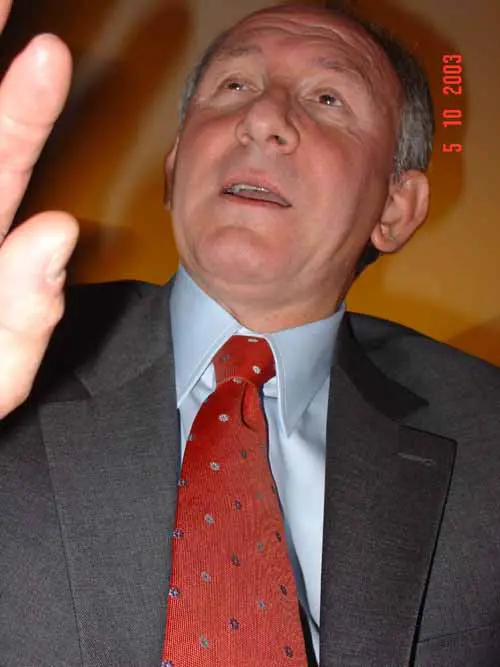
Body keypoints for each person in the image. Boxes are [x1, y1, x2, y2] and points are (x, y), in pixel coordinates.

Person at [0, 1, 499, 665]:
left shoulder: (487, 432)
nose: (262, 118)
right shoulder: (21, 360)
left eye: (328, 98)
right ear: (174, 167)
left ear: (395, 208)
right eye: (235, 85)